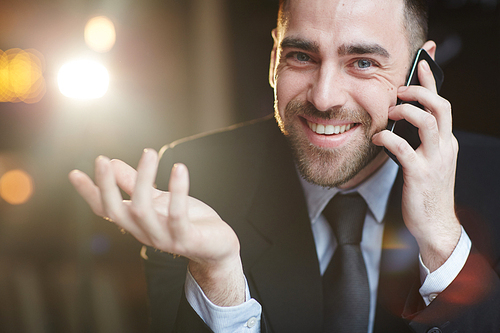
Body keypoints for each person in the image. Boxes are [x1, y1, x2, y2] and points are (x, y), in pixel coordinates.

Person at [69, 0, 500, 332]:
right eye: (301, 56)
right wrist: (218, 277)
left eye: (363, 63)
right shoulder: (193, 177)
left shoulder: (493, 179)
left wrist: (443, 241)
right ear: (274, 57)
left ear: (420, 70)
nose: (324, 97)